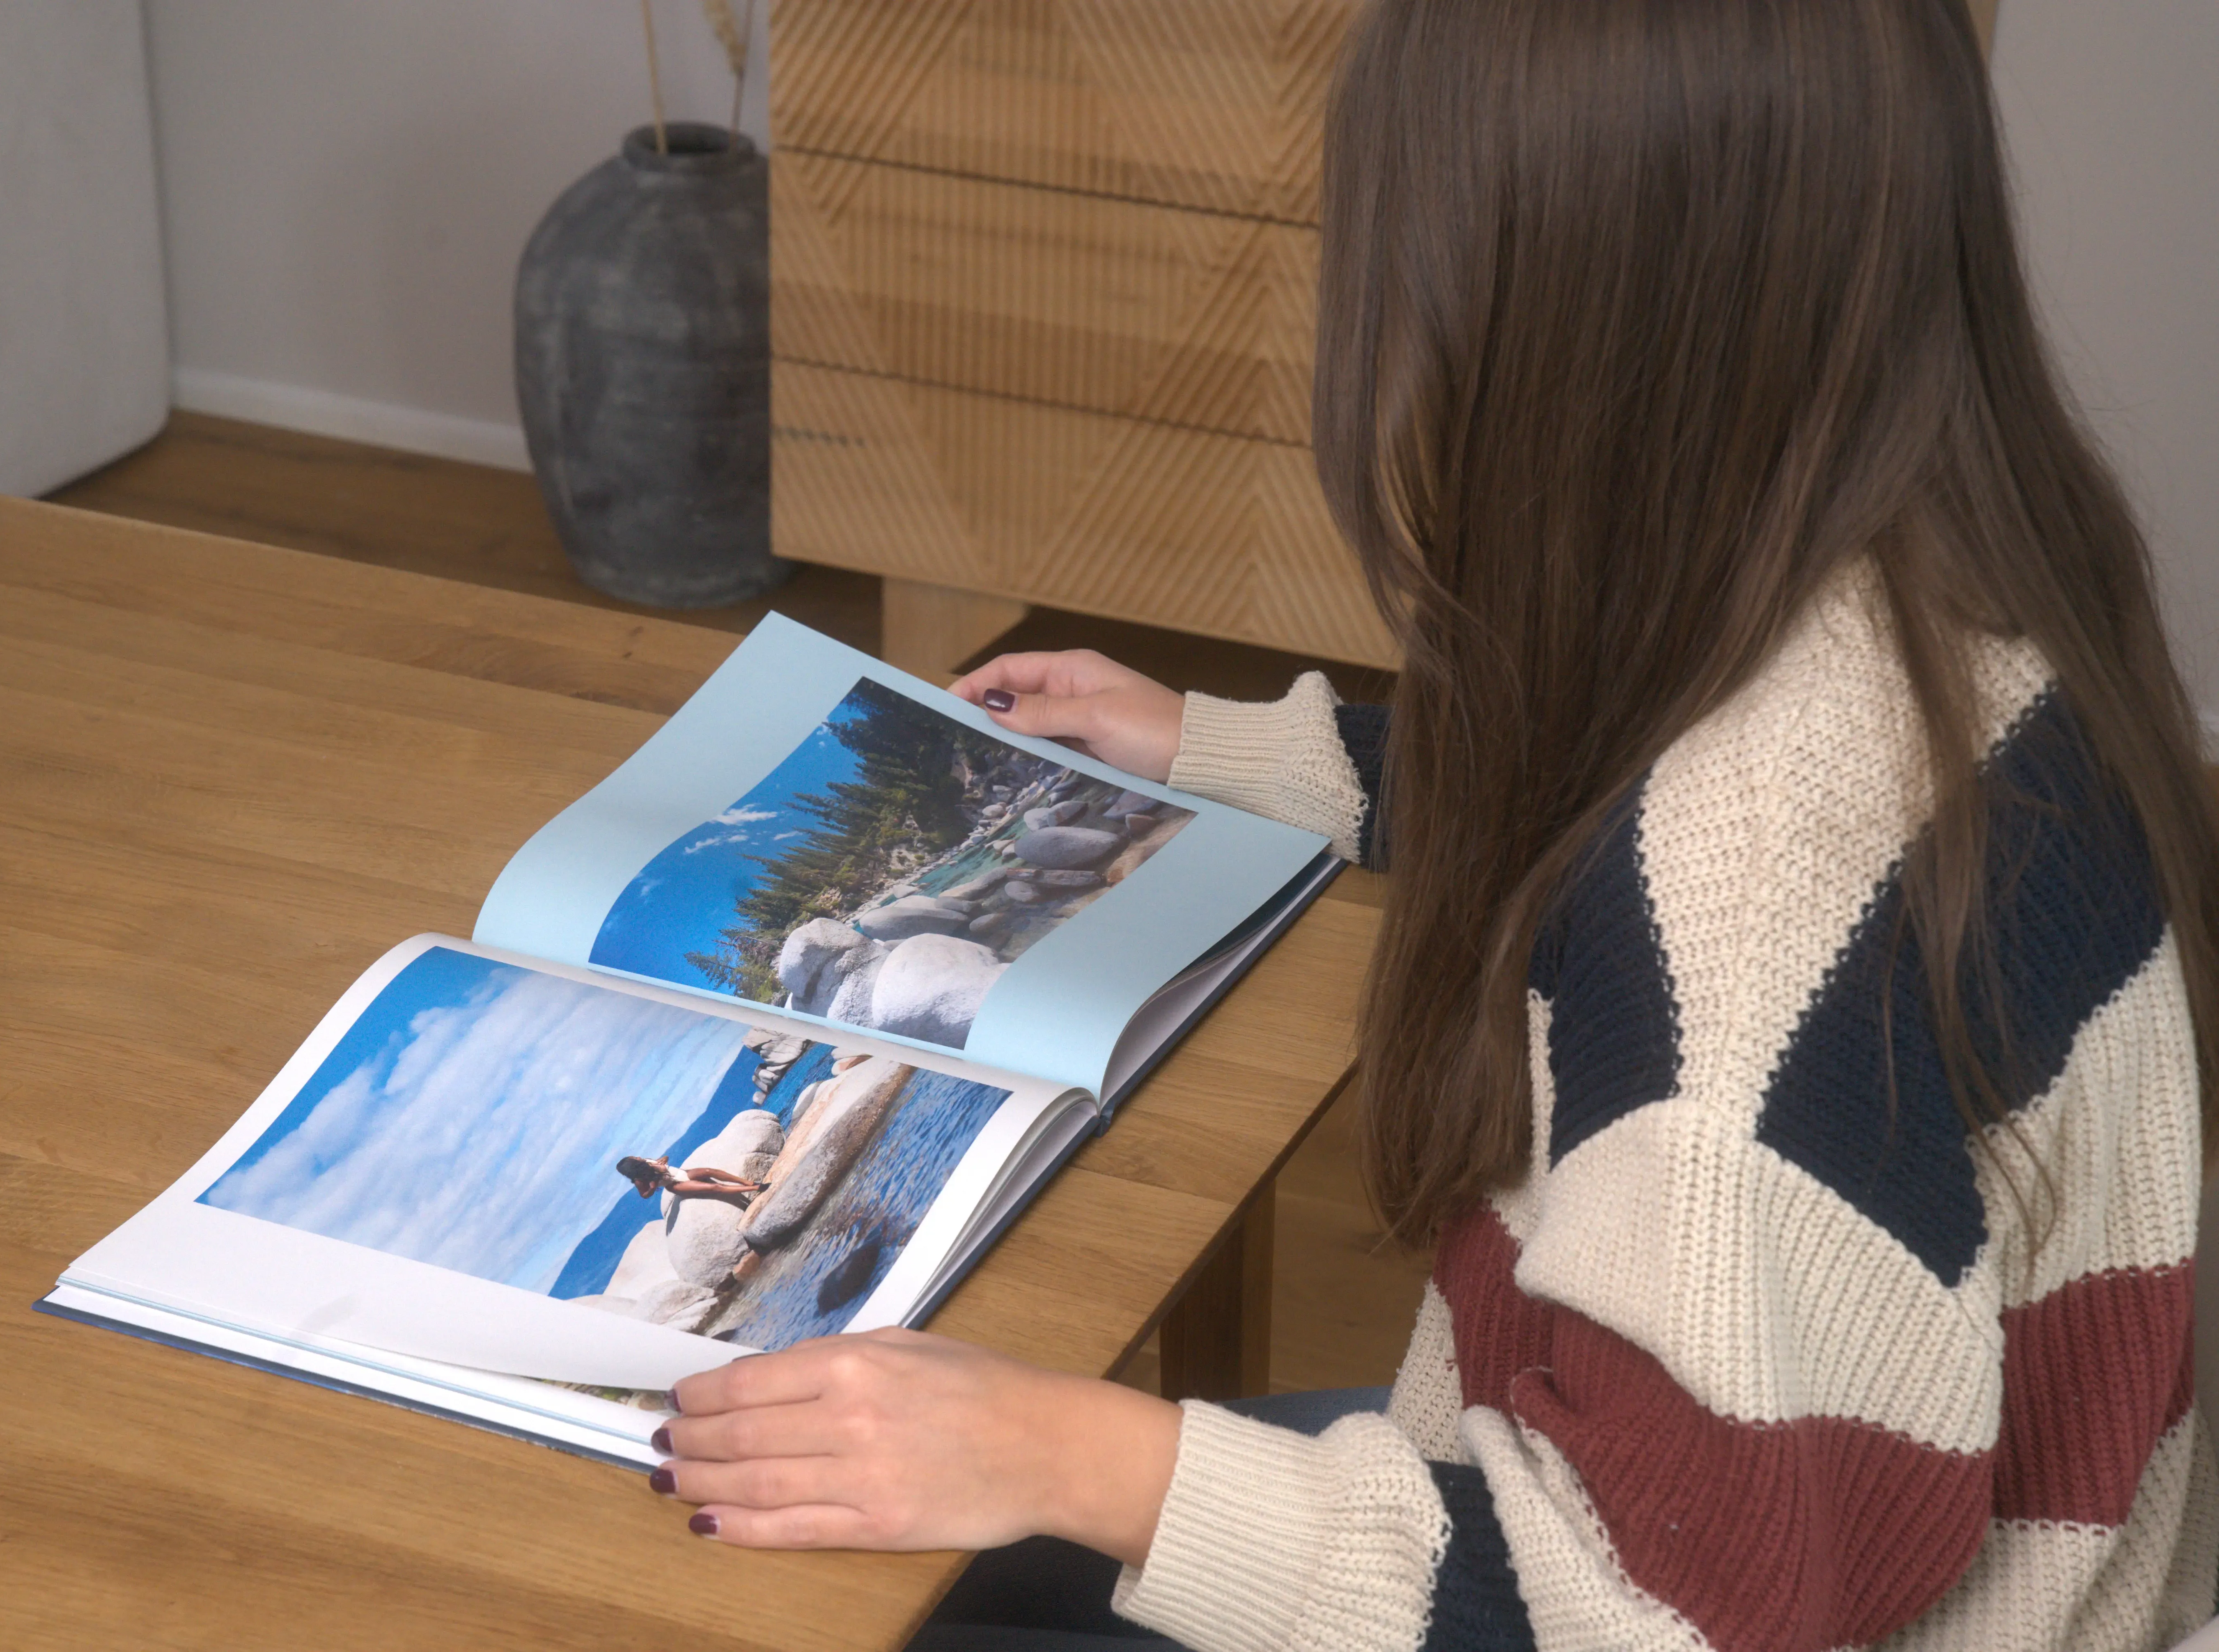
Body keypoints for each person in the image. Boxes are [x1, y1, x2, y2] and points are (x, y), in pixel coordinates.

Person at [644, 1, 2219, 1645]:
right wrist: (1243, 753)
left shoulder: (1732, 958)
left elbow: (1648, 1617)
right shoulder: (1958, 611)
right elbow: (1627, 793)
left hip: (1643, 1564)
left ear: (1549, 330)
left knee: (901, 1581)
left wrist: (1072, 1447)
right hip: (1868, 1516)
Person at [616, 1153, 767, 1210]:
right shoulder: (638, 1181)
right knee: (714, 1187)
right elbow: (644, 1195)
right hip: (675, 1185)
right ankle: (755, 1188)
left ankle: (746, 1182)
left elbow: (665, 1159)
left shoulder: (646, 1162)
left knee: (709, 1172)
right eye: (633, 1159)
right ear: (632, 1166)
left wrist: (664, 1159)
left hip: (682, 1173)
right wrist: (652, 1188)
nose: (637, 1157)